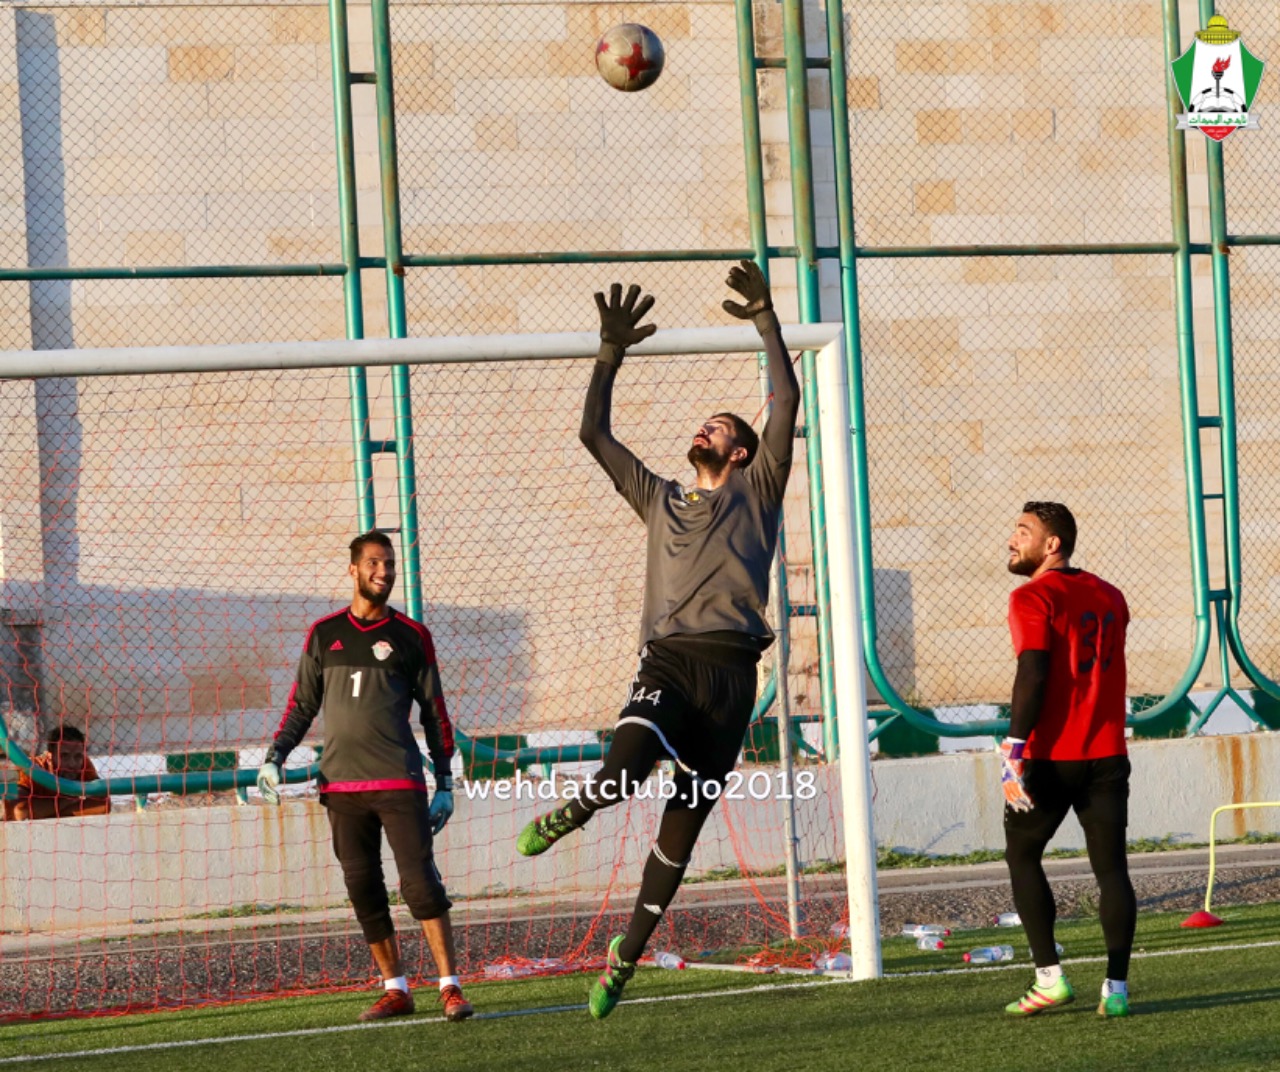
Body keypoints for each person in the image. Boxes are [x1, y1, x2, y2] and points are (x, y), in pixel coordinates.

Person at [515, 262, 799, 1019]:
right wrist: (609, 351)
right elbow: (593, 433)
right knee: (625, 766)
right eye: (706, 422)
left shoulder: (759, 490)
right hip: (670, 661)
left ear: (741, 452)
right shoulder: (659, 497)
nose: (707, 427)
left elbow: (787, 400)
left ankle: (625, 959)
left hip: (733, 677)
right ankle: (576, 811)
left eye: (721, 425)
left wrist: (766, 319)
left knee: (681, 831)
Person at [256, 531, 473, 1023]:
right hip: (341, 787)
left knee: (420, 885)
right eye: (374, 563)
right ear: (353, 569)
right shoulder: (323, 634)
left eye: (389, 564)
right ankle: (396, 990)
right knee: (363, 888)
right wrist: (275, 757)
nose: (384, 571)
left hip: (399, 782)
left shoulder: (412, 636)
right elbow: (302, 705)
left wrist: (444, 783)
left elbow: (434, 712)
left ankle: (450, 987)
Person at [1000, 501, 1136, 1019]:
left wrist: (1014, 748)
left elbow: (1033, 672)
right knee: (1112, 870)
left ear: (1051, 544)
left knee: (1022, 856)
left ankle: (1050, 979)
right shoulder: (1111, 595)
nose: (1012, 540)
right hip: (1108, 754)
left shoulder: (1031, 596)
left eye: (1023, 532)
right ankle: (1116, 990)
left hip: (1052, 756)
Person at [7, 724, 111, 820]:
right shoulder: (32, 767)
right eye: (64, 756)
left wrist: (44, 812)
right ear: (50, 755)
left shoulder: (84, 763)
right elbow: (21, 811)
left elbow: (103, 804)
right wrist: (68, 800)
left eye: (78, 756)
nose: (72, 764)